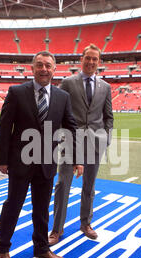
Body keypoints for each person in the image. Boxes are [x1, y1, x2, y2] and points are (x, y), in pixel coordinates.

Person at [0, 51, 83, 258]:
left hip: (47, 163)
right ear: (32, 68)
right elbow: (5, 127)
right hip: (20, 162)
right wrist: (2, 159)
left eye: (48, 66)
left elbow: (71, 128)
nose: (44, 69)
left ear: (54, 70)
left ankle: (41, 247)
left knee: (42, 208)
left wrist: (77, 158)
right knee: (13, 205)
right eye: (40, 65)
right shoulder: (16, 92)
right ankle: (3, 248)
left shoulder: (62, 97)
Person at [48, 44, 113, 245]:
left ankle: (86, 223)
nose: (91, 62)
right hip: (71, 142)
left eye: (95, 59)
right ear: (81, 59)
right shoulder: (67, 82)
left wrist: (106, 138)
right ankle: (57, 229)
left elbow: (108, 116)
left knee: (89, 186)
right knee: (62, 185)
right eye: (88, 58)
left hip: (95, 143)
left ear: (99, 62)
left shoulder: (105, 87)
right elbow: (58, 110)